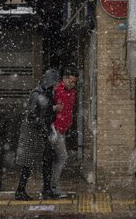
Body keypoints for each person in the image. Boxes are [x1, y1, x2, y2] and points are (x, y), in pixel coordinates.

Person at [15, 69, 61, 200]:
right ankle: (20, 191)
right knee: (28, 162)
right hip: (32, 131)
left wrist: (49, 126)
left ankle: (47, 189)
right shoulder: (37, 94)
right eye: (56, 82)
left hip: (42, 130)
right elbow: (32, 116)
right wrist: (43, 126)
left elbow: (47, 112)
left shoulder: (47, 93)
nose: (57, 85)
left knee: (48, 159)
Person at [51, 67, 78, 198]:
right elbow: (46, 107)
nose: (72, 84)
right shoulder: (56, 90)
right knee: (62, 156)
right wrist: (55, 109)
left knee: (56, 157)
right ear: (64, 79)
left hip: (63, 129)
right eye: (71, 81)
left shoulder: (72, 91)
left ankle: (50, 186)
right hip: (54, 129)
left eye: (74, 82)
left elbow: (69, 109)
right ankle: (53, 186)